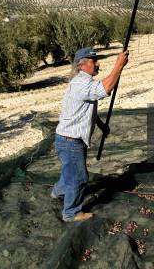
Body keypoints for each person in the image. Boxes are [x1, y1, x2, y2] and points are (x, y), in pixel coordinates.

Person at [51, 46, 129, 222]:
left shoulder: (83, 82)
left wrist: (100, 125)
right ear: (83, 65)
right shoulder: (81, 83)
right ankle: (71, 213)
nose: (97, 64)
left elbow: (85, 109)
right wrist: (119, 65)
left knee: (69, 172)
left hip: (67, 139)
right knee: (79, 178)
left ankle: (57, 192)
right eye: (94, 61)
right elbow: (106, 88)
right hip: (70, 141)